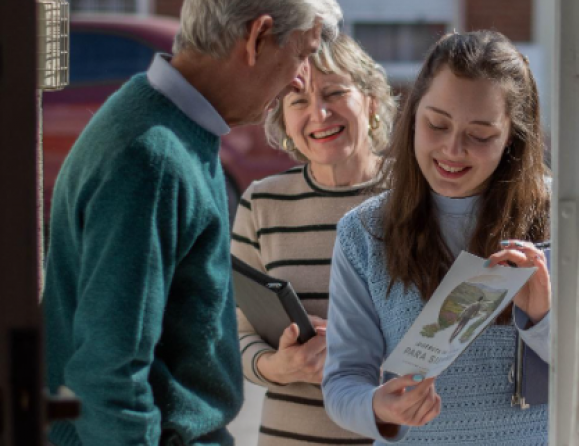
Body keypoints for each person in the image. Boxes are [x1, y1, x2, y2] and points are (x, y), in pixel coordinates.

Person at [42, 0, 342, 445]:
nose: (301, 77)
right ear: (257, 37)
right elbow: (109, 375)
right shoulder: (154, 157)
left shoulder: (164, 125)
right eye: (302, 53)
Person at [322, 31, 552, 445]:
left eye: (480, 135)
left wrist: (542, 321)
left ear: (512, 139)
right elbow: (342, 382)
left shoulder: (561, 220)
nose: (452, 149)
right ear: (412, 115)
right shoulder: (364, 232)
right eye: (437, 124)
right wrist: (378, 407)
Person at [230, 33, 396, 445]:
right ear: (283, 118)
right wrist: (278, 367)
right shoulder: (261, 202)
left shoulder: (417, 198)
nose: (319, 114)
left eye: (335, 93)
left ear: (371, 100)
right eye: (298, 100)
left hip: (391, 434)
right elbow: (232, 331)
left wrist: (361, 360)